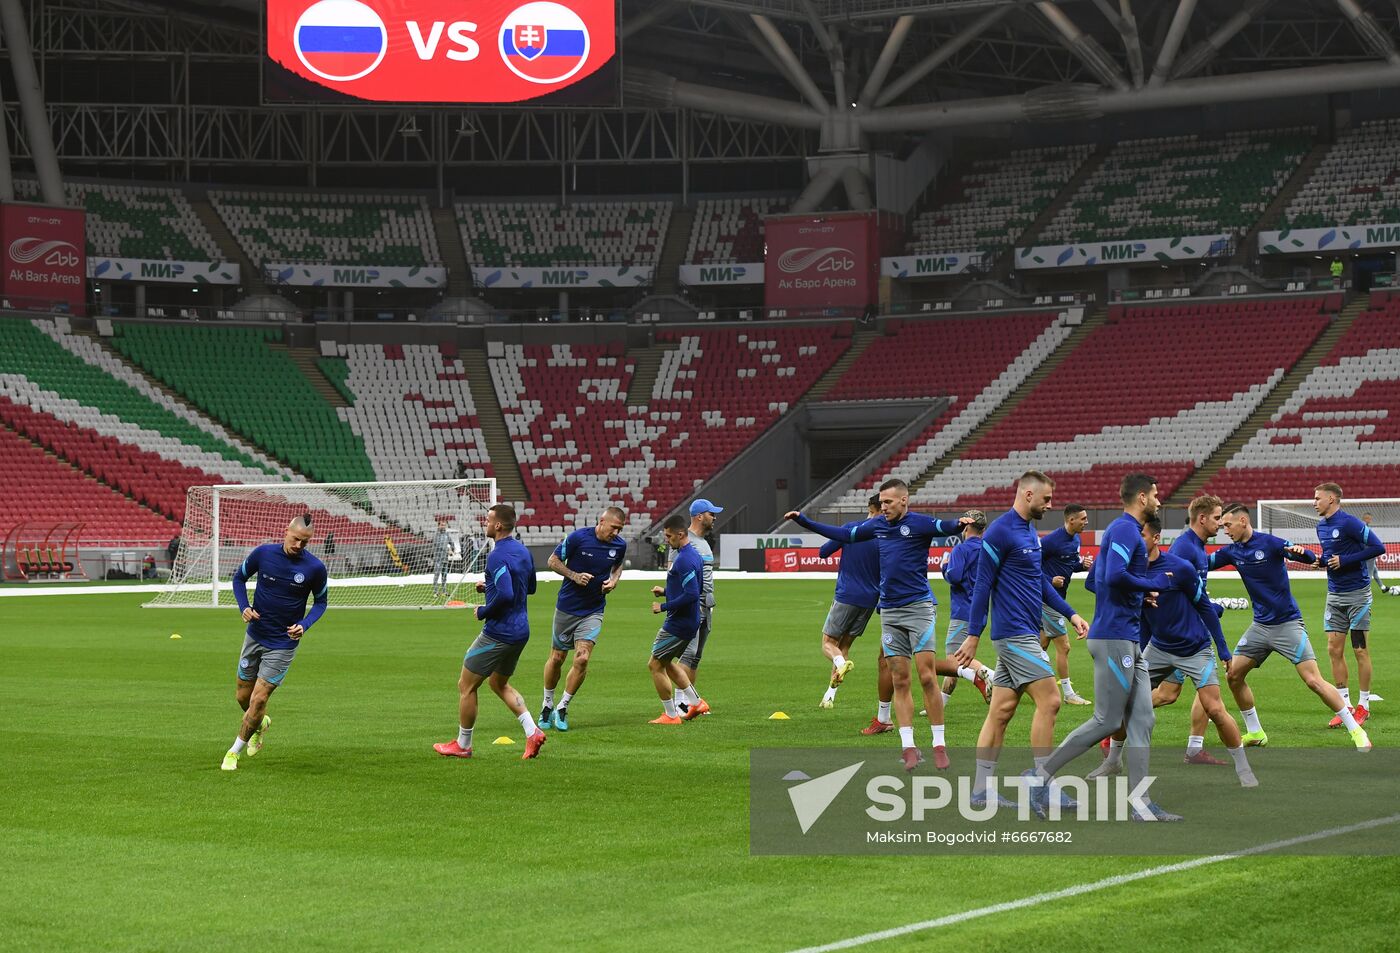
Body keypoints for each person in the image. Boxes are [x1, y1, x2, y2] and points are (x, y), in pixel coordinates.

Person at [789, 479, 973, 772]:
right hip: (889, 611)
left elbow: (945, 527)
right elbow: (841, 534)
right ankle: (909, 747)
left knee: (926, 676)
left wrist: (960, 523)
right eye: (882, 503)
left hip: (918, 609)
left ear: (904, 501)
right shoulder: (875, 527)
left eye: (888, 502)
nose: (883, 507)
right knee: (900, 680)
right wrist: (805, 521)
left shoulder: (919, 523)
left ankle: (939, 745)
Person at [1029, 473, 1180, 822]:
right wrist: (1152, 582)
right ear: (1141, 498)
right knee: (1107, 719)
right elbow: (1110, 578)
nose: (1159, 500)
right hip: (1114, 638)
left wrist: (1140, 594)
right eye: (1155, 495)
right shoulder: (1127, 530)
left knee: (1143, 719)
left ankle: (1140, 802)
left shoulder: (1118, 530)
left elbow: (1097, 581)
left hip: (1126, 636)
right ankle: (1038, 779)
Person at [1088, 516, 1257, 788]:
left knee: (1214, 708)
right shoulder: (1130, 572)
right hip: (1158, 647)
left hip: (1195, 649)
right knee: (1123, 702)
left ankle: (1243, 768)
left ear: (1155, 539)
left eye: (1140, 538)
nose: (1132, 543)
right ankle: (1113, 760)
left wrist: (1223, 649)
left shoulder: (1180, 568)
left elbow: (1204, 607)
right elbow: (1093, 583)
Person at [957, 471, 1088, 806]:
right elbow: (982, 585)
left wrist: (1071, 614)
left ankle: (980, 791)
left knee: (1000, 711)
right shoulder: (1000, 532)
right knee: (1051, 700)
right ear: (1028, 494)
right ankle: (1042, 784)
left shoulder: (1030, 530)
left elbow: (1040, 582)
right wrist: (973, 635)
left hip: (1024, 632)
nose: (1050, 505)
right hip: (1014, 635)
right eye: (1046, 499)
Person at [1211, 503, 1371, 752]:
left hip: (1287, 625)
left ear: (1243, 521)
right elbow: (1203, 563)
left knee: (1313, 681)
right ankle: (1255, 731)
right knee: (1233, 675)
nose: (1225, 530)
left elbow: (1308, 557)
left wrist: (1301, 552)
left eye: (1228, 525)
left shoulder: (1270, 543)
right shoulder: (1231, 552)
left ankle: (1356, 730)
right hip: (1260, 627)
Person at [433, 504, 546, 761]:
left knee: (466, 685)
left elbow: (506, 594)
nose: (484, 523)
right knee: (498, 683)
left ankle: (463, 744)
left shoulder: (496, 555)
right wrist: (491, 586)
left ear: (498, 525)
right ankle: (532, 732)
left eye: (487, 519)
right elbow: (529, 588)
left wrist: (484, 610)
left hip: (498, 632)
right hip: (520, 631)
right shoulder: (523, 551)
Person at [221, 515, 329, 771]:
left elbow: (321, 602)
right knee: (242, 697)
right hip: (255, 635)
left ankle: (233, 751)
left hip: (283, 643)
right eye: (296, 539)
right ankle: (259, 723)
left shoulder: (315, 568)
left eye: (305, 542)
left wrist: (304, 624)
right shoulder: (263, 554)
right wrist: (244, 607)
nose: (299, 546)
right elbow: (239, 579)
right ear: (286, 532)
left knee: (259, 699)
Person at [1150, 494, 1238, 765]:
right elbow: (1170, 593)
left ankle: (1194, 750)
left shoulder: (1197, 547)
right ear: (1201, 518)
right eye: (1216, 517)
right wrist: (1208, 610)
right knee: (1168, 695)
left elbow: (1193, 593)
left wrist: (1210, 607)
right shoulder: (1184, 549)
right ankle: (1114, 727)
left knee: (1197, 694)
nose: (1220, 522)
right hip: (1184, 638)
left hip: (1193, 632)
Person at [539, 506, 627, 730]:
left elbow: (618, 566)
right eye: (613, 528)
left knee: (582, 658)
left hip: (594, 609)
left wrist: (614, 581)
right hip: (567, 607)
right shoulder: (579, 538)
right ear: (601, 521)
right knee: (557, 658)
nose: (616, 533)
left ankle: (562, 707)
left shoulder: (619, 545)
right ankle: (547, 704)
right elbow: (552, 561)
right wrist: (574, 575)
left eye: (620, 529)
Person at [1313, 483, 1385, 727]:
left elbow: (1378, 547)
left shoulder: (1350, 523)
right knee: (1334, 650)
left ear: (1331, 499)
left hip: (1358, 597)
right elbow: (1329, 555)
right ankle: (1345, 706)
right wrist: (1321, 562)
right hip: (1334, 596)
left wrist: (1345, 560)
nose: (1314, 502)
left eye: (1317, 498)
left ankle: (1364, 705)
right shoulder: (1320, 526)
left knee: (1359, 650)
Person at [815, 494, 881, 710]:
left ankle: (841, 664)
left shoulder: (852, 529)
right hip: (870, 599)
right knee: (844, 646)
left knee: (828, 643)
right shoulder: (885, 536)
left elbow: (823, 552)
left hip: (847, 595)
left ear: (869, 507)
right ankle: (829, 696)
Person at [648, 514, 708, 724]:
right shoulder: (691, 555)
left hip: (679, 623)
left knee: (655, 664)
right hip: (687, 620)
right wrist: (665, 591)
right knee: (666, 661)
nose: (666, 539)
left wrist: (662, 606)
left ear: (680, 534)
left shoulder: (684, 559)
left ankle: (671, 715)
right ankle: (696, 702)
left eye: (668, 535)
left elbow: (692, 594)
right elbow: (691, 589)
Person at [1040, 504, 1094, 706]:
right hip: (1049, 600)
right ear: (1071, 520)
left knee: (1041, 645)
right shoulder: (1051, 540)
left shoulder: (1076, 539)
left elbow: (1069, 565)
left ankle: (1010, 681)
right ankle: (1068, 693)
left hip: (1057, 599)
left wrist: (1081, 566)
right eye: (1083, 518)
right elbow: (1031, 566)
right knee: (1064, 647)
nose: (1086, 522)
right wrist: (1049, 580)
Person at [939, 511, 995, 705]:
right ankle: (940, 704)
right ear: (984, 529)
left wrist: (944, 567)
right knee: (958, 658)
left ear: (966, 527)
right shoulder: (988, 550)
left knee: (953, 660)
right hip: (981, 611)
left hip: (962, 610)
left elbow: (953, 577)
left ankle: (988, 674)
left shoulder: (960, 550)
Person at [675, 499, 721, 713]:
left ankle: (691, 702)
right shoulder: (685, 540)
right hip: (692, 604)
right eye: (712, 514)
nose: (715, 517)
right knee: (688, 653)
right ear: (700, 516)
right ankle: (678, 702)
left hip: (707, 604)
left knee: (696, 657)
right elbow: (673, 573)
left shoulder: (703, 542)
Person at [431, 518, 453, 599]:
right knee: (436, 575)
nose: (443, 526)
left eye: (444, 525)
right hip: (438, 559)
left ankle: (444, 591)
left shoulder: (447, 534)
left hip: (445, 559)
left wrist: (453, 549)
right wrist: (448, 550)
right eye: (442, 525)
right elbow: (439, 546)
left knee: (444, 576)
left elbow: (451, 542)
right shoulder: (436, 535)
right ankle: (435, 592)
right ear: (438, 526)